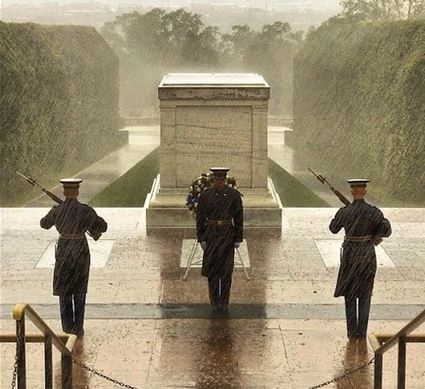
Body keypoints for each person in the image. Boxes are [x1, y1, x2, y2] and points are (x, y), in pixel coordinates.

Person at [40, 178, 107, 336]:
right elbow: (103, 226)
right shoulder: (85, 210)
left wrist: (54, 210)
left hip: (64, 251)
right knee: (79, 289)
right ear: (77, 192)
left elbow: (44, 224)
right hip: (80, 250)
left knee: (64, 290)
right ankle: (78, 328)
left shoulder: (58, 210)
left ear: (64, 192)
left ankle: (67, 328)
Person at [329, 179, 391, 340]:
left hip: (350, 255)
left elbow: (333, 229)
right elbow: (386, 230)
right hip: (367, 255)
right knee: (365, 295)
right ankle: (361, 333)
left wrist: (341, 215)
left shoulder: (345, 212)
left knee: (350, 294)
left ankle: (351, 332)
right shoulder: (374, 212)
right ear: (364, 191)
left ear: (351, 192)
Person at [196, 167, 243, 313]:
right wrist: (201, 238)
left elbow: (239, 217)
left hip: (227, 234)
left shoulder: (233, 195)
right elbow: (200, 218)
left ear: (225, 180)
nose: (219, 182)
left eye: (222, 179)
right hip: (211, 234)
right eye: (217, 179)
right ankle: (214, 301)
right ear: (213, 179)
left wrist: (238, 237)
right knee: (213, 270)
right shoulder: (205, 195)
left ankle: (224, 302)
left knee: (226, 270)